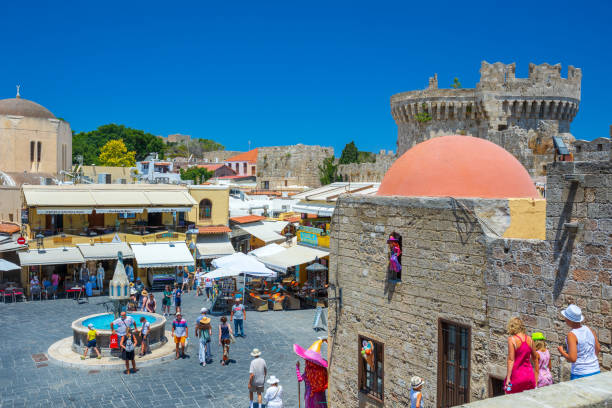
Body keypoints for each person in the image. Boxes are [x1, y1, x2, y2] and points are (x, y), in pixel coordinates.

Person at [558, 304, 601, 380]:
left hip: (580, 373)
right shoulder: (589, 329)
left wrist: (561, 351)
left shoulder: (572, 335)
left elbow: (573, 358)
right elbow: (597, 348)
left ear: (569, 319)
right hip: (595, 369)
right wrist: (590, 361)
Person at [505, 317, 537, 394]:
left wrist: (508, 378)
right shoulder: (530, 339)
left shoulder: (512, 340)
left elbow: (511, 360)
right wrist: (536, 375)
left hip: (516, 376)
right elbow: (535, 357)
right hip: (529, 376)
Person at [295, 339, 328, 408]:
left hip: (310, 395)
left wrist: (297, 368)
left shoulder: (308, 370)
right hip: (320, 395)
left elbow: (300, 379)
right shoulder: (323, 370)